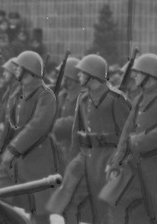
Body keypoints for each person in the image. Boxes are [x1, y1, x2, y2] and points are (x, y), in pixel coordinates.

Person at [51, 54, 130, 223]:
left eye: (82, 72)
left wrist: (117, 163)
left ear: (92, 75)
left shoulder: (116, 99)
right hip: (85, 157)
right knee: (68, 199)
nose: (78, 75)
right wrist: (72, 161)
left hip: (107, 158)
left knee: (105, 209)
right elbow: (76, 134)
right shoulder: (83, 98)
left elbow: (127, 135)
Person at [105, 53, 157, 223]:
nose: (135, 76)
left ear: (150, 75)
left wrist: (141, 140)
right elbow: (126, 134)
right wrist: (116, 163)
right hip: (136, 166)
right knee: (116, 200)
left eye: (139, 72)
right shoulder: (139, 99)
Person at [0, 51, 59, 224]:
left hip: (36, 158)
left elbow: (38, 125)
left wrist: (13, 148)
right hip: (12, 160)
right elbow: (9, 125)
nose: (15, 70)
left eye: (19, 68)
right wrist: (1, 151)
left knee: (39, 212)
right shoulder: (17, 94)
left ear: (29, 71)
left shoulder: (45, 95)